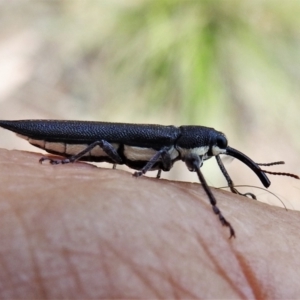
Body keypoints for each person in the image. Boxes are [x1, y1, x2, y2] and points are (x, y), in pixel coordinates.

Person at [0, 149, 299, 298]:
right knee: (103, 143)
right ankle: (67, 161)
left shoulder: (181, 149)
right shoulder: (168, 146)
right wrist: (217, 210)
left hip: (120, 147)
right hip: (93, 141)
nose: (218, 153)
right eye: (214, 147)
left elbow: (214, 158)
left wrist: (233, 186)